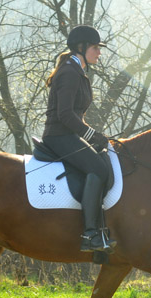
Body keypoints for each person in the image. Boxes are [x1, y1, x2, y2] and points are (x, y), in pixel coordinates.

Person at [42, 25, 116, 253]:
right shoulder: (69, 73)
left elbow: (75, 116)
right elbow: (65, 115)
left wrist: (93, 136)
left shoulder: (78, 72)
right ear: (81, 48)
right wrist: (92, 135)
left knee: (104, 161)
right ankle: (90, 234)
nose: (99, 53)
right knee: (99, 169)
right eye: (96, 48)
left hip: (69, 134)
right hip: (58, 136)